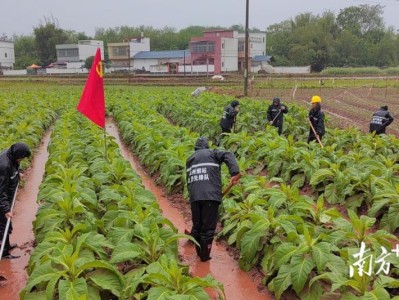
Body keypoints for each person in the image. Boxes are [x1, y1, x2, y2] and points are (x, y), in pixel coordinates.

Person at [186, 137, 240, 262]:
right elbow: (228, 154)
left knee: (198, 226)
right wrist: (234, 173)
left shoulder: (190, 159)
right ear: (206, 147)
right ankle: (204, 258)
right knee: (208, 229)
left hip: (194, 197)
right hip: (211, 197)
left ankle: (200, 255)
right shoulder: (213, 153)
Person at [0, 142, 31, 259]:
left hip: (7, 195)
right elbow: (0, 191)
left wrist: (19, 173)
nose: (22, 159)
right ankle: (4, 253)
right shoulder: (4, 166)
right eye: (22, 157)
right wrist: (6, 209)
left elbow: (16, 164)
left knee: (5, 224)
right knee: (3, 225)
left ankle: (6, 246)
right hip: (2, 198)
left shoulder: (12, 155)